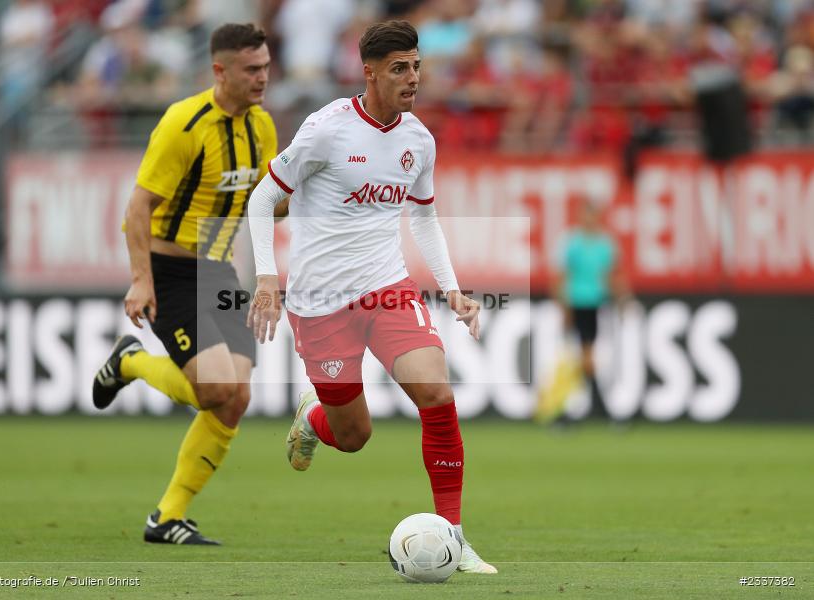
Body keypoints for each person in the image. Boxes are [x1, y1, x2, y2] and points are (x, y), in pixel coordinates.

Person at [246, 20, 496, 574]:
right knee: (355, 435)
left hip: (386, 288)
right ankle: (314, 422)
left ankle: (454, 536)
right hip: (319, 302)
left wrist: (452, 291)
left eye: (416, 66)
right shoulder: (325, 131)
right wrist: (267, 279)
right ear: (370, 72)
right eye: (399, 69)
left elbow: (424, 219)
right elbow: (263, 200)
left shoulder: (418, 140)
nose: (413, 78)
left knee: (434, 389)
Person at [92, 23, 286, 545]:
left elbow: (266, 201)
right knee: (216, 388)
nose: (262, 77)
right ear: (219, 71)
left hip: (219, 269)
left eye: (266, 66)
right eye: (251, 69)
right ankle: (129, 361)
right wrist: (140, 281)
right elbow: (137, 208)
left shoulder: (262, 125)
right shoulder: (185, 121)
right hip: (171, 268)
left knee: (235, 398)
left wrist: (313, 186)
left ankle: (167, 517)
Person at [551, 198, 629, 419]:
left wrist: (623, 299)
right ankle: (596, 406)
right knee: (582, 355)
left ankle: (576, 409)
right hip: (576, 304)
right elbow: (561, 277)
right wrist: (563, 308)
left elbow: (612, 276)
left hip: (597, 305)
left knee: (586, 356)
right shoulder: (572, 242)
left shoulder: (605, 244)